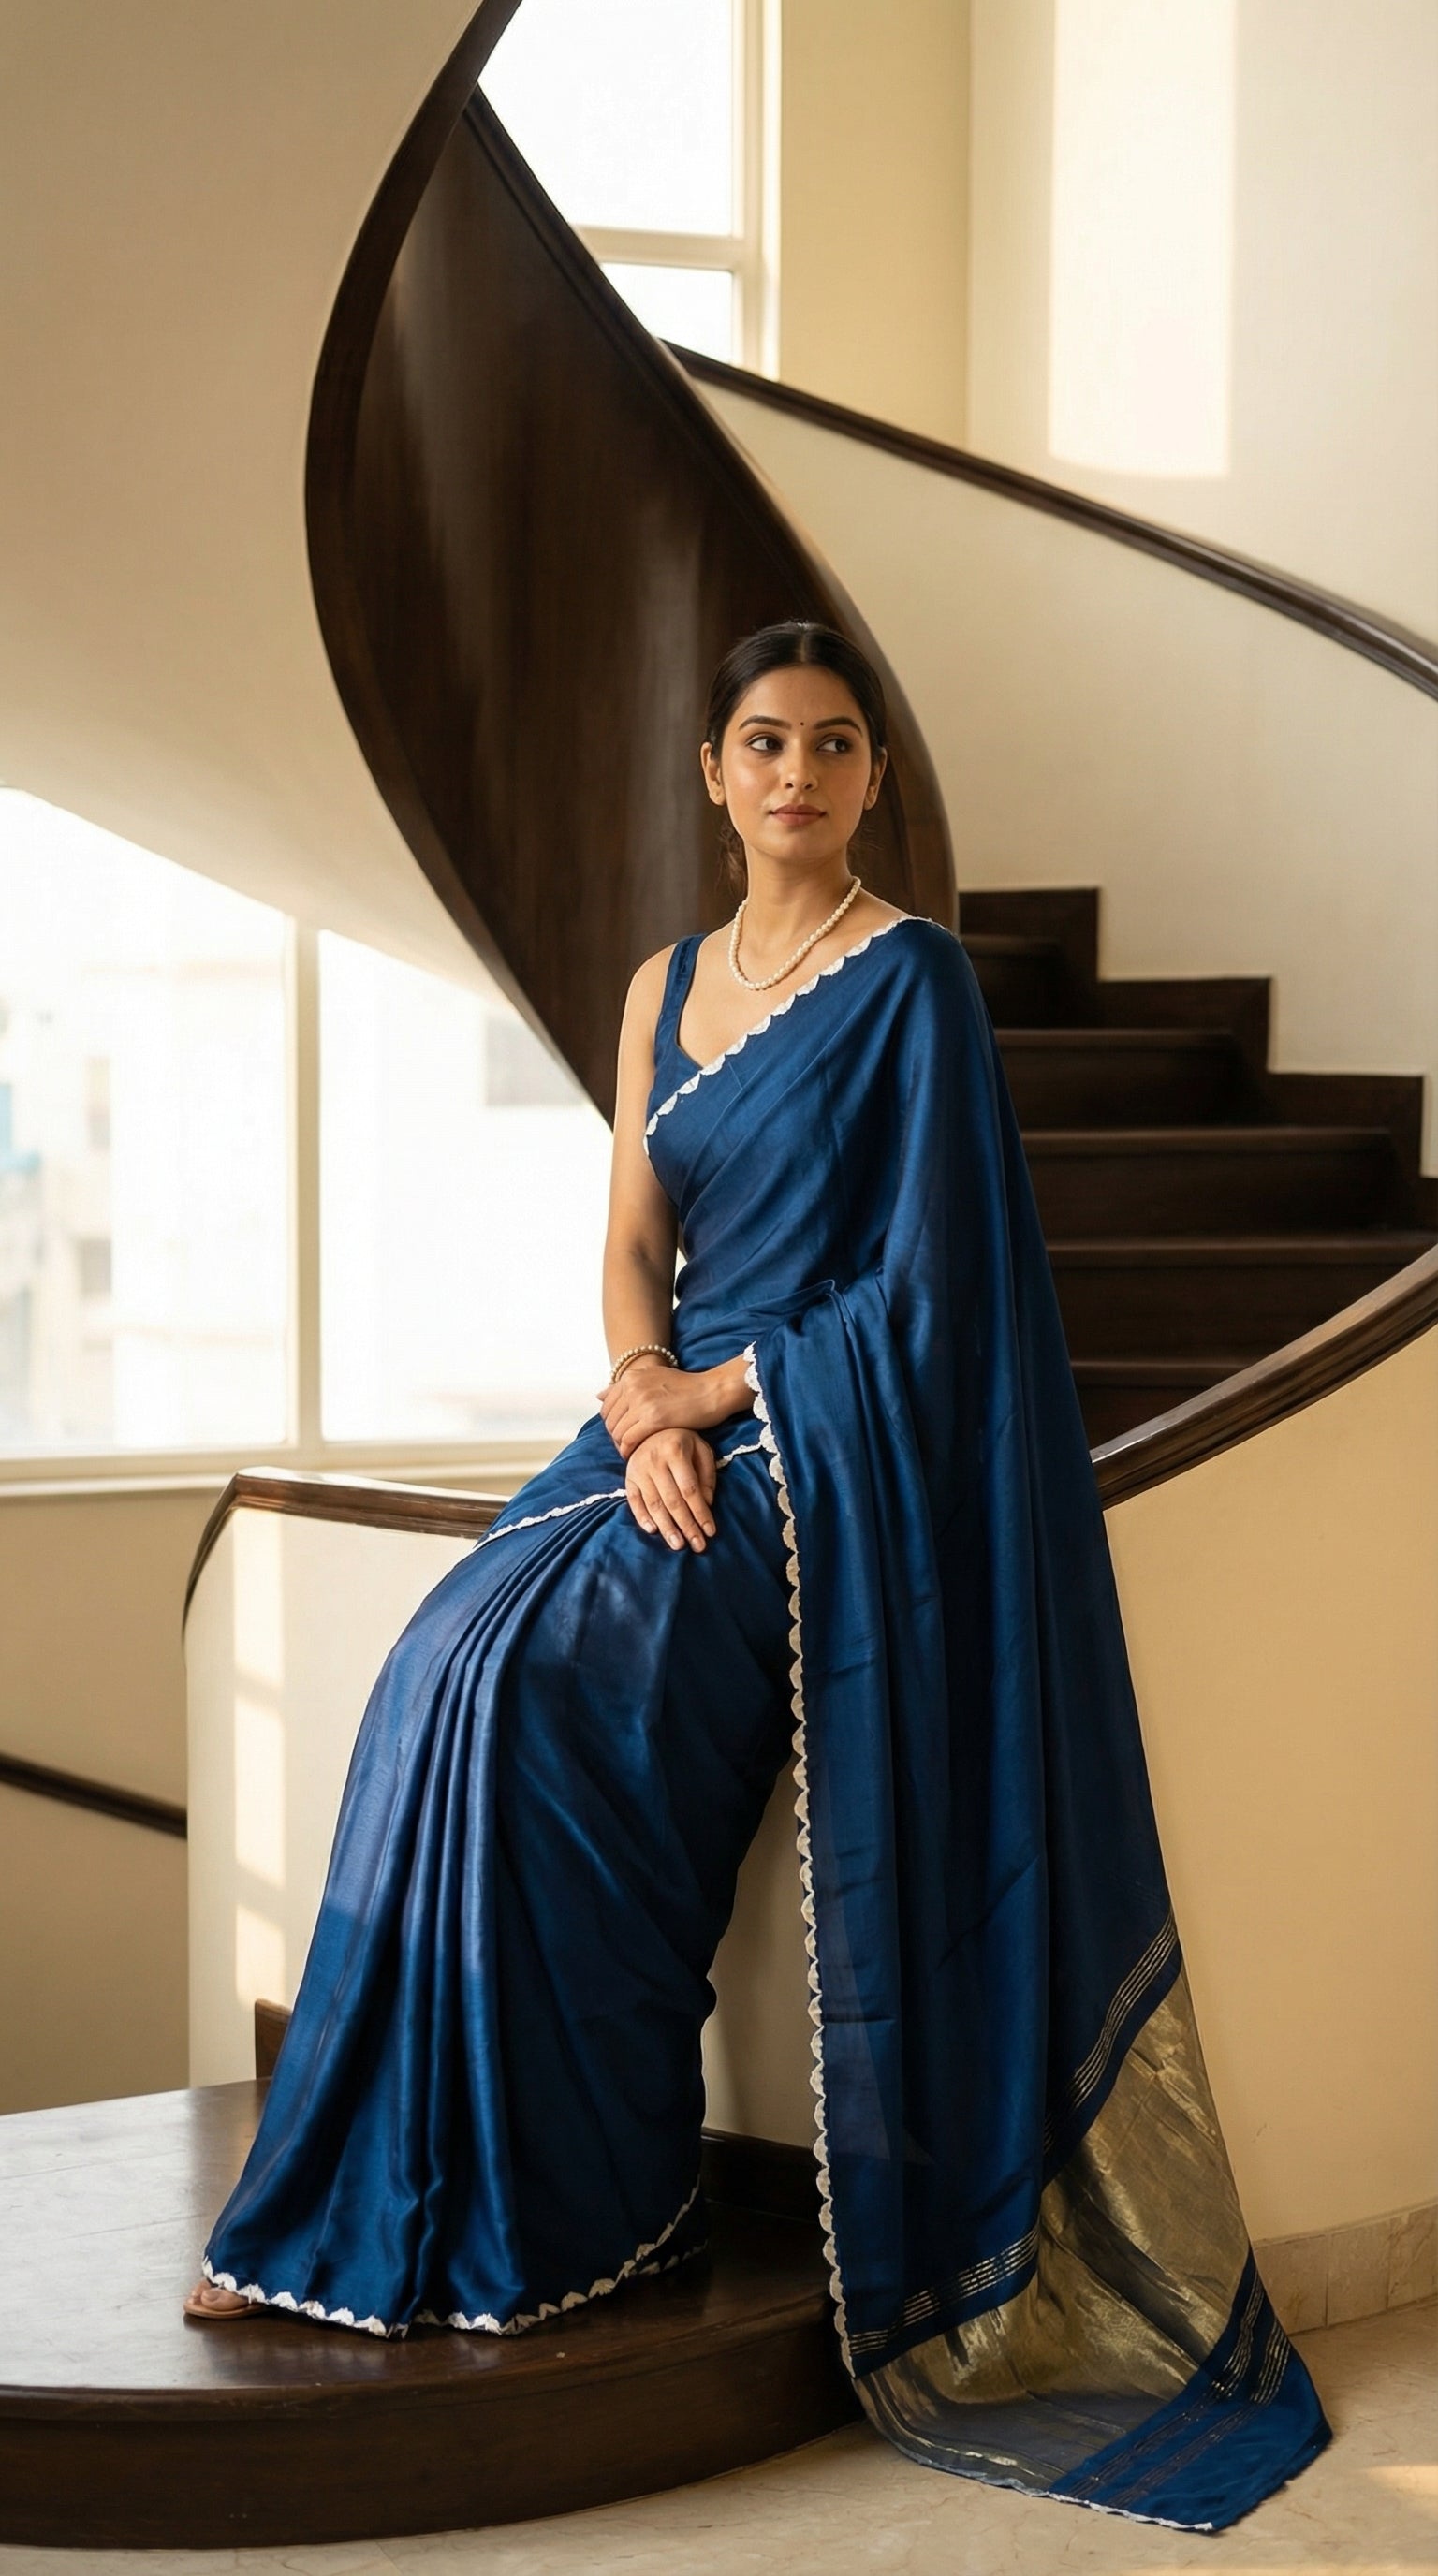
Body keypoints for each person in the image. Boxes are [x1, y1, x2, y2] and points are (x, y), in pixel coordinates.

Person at [186, 621, 1328, 2531]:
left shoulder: (918, 987)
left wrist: (717, 1396)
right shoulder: (661, 986)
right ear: (712, 776)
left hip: (824, 1439)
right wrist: (638, 1389)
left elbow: (935, 1291)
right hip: (672, 1412)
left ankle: (591, 2192)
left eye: (832, 744)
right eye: (762, 742)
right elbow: (634, 1233)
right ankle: (348, 2192)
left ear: (870, 780)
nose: (796, 773)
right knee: (443, 1665)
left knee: (565, 1705)